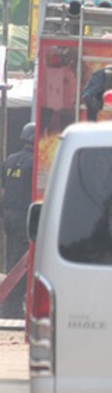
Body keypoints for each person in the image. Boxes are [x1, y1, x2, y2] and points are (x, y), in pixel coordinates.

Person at [1, 122, 35, 318]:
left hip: (9, 218)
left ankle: (9, 304)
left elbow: (4, 189)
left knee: (9, 261)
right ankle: (10, 307)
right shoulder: (34, 163)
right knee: (20, 265)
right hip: (24, 218)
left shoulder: (10, 161)